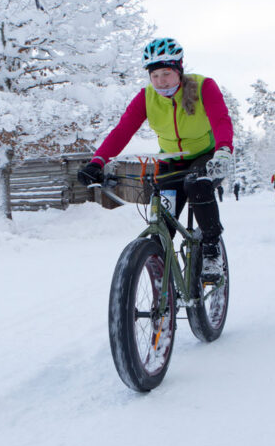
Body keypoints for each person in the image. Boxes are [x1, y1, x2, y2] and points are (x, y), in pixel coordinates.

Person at [77, 37, 234, 281]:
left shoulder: (203, 87)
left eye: (166, 73)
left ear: (179, 70)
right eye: (155, 75)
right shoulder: (146, 98)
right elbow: (122, 131)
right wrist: (97, 161)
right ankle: (160, 275)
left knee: (197, 184)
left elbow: (221, 120)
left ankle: (211, 248)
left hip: (207, 155)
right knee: (162, 216)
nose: (160, 81)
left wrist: (223, 150)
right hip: (171, 159)